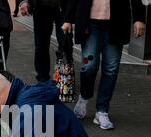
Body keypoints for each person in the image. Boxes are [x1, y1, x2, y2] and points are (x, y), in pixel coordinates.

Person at [62, 0, 146, 130]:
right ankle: (84, 96)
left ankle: (102, 111)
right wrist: (68, 19)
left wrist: (139, 18)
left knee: (111, 69)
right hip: (89, 23)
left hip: (116, 22)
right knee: (88, 65)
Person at [19, 0, 67, 82]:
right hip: (41, 6)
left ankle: (63, 81)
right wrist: (23, 1)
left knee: (65, 45)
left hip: (63, 6)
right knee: (41, 46)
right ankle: (43, 80)